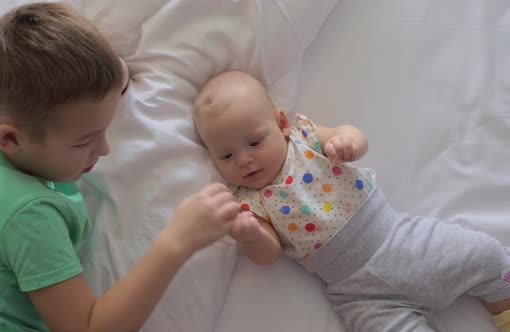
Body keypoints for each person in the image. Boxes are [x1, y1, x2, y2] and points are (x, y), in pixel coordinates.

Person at [0, 3, 250, 332]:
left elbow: (101, 78)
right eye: (84, 142)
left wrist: (108, 77)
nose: (104, 149)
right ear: (12, 139)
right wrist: (177, 241)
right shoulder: (26, 215)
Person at [193, 70, 510, 331]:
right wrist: (250, 235)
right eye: (227, 155)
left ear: (281, 124)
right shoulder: (247, 203)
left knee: (484, 255)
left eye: (254, 141)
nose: (245, 159)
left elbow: (350, 134)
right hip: (357, 293)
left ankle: (504, 304)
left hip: (400, 241)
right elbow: (268, 254)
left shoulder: (305, 140)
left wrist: (349, 143)